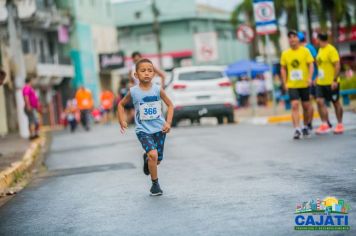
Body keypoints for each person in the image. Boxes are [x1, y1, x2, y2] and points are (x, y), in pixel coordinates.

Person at [118, 58, 174, 196]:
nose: (147, 73)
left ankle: (147, 159)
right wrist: (122, 120)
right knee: (153, 155)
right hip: (143, 131)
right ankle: (155, 185)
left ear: (154, 73)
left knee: (157, 160)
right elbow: (121, 104)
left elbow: (170, 105)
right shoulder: (133, 91)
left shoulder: (157, 89)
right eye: (143, 71)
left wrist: (168, 123)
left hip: (160, 130)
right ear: (136, 75)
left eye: (150, 70)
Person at [280, 30, 314, 139]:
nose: (292, 39)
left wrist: (309, 78)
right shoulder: (285, 53)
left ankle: (305, 126)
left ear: (298, 39)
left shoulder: (305, 51)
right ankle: (296, 129)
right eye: (290, 37)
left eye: (294, 37)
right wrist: (285, 82)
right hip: (292, 84)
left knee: (306, 106)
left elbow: (311, 65)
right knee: (294, 105)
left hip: (304, 84)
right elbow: (283, 69)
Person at [314, 33, 344, 134]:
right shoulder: (320, 50)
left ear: (319, 39)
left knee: (335, 103)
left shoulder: (331, 50)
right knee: (319, 101)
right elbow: (321, 66)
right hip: (321, 83)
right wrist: (317, 77)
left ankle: (340, 124)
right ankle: (325, 124)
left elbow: (337, 65)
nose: (316, 40)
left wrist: (334, 80)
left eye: (316, 39)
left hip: (331, 83)